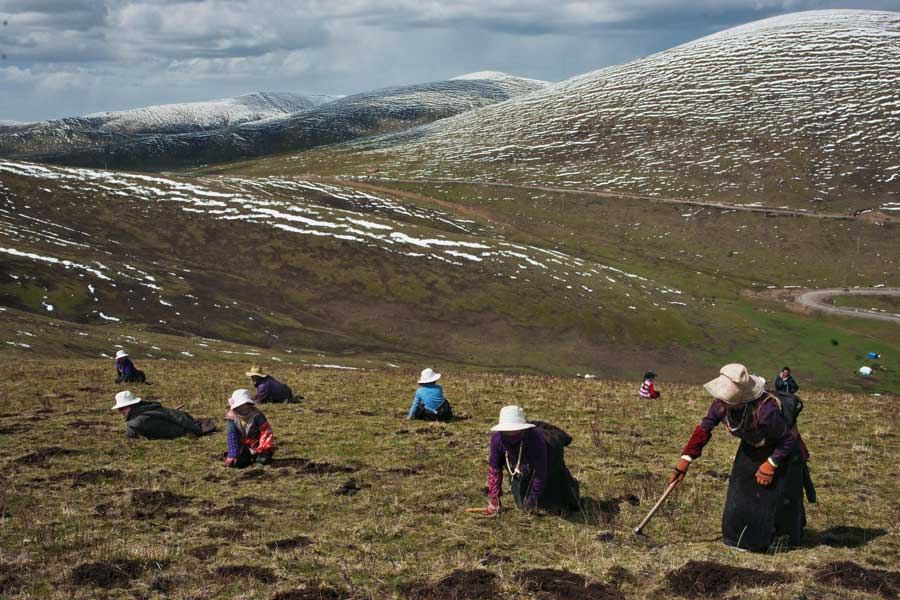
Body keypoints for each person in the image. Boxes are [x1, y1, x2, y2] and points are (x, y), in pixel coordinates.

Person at [669, 364, 810, 552]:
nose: (720, 400)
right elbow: (706, 426)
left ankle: (778, 542)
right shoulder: (721, 404)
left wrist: (771, 463)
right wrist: (686, 458)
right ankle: (739, 539)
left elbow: (787, 440)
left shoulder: (766, 411)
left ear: (740, 399)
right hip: (751, 447)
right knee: (740, 493)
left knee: (777, 498)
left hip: (783, 451)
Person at [483, 405, 580, 515]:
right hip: (519, 466)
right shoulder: (497, 441)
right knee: (522, 505)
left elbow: (540, 473)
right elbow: (494, 470)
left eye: (514, 430)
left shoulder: (536, 441)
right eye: (507, 430)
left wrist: (533, 498)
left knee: (554, 506)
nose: (511, 434)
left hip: (550, 459)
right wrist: (494, 498)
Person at [112, 390, 215, 439]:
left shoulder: (136, 422)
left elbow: (134, 429)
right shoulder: (147, 408)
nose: (120, 412)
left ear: (130, 406)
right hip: (184, 422)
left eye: (121, 408)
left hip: (181, 431)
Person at [224, 389, 275, 468]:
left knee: (263, 460)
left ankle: (256, 457)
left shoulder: (257, 415)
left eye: (245, 404)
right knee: (236, 462)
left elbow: (266, 431)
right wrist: (233, 455)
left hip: (257, 444)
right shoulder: (231, 418)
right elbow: (232, 436)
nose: (243, 407)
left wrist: (263, 447)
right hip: (241, 445)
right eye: (241, 405)